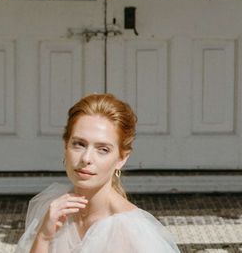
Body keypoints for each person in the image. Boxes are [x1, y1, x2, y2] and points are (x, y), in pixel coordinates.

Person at [15, 93, 180, 252]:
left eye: (103, 149)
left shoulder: (129, 230)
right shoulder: (54, 208)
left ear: (121, 159)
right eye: (79, 144)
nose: (86, 158)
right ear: (65, 146)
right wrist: (44, 236)